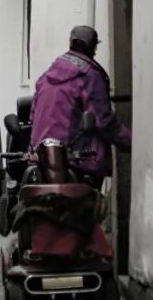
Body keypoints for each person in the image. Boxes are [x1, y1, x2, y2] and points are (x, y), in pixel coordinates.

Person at [29, 25, 131, 185]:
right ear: (93, 48)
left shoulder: (47, 76)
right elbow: (104, 122)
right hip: (77, 161)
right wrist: (132, 142)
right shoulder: (90, 76)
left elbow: (32, 115)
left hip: (41, 159)